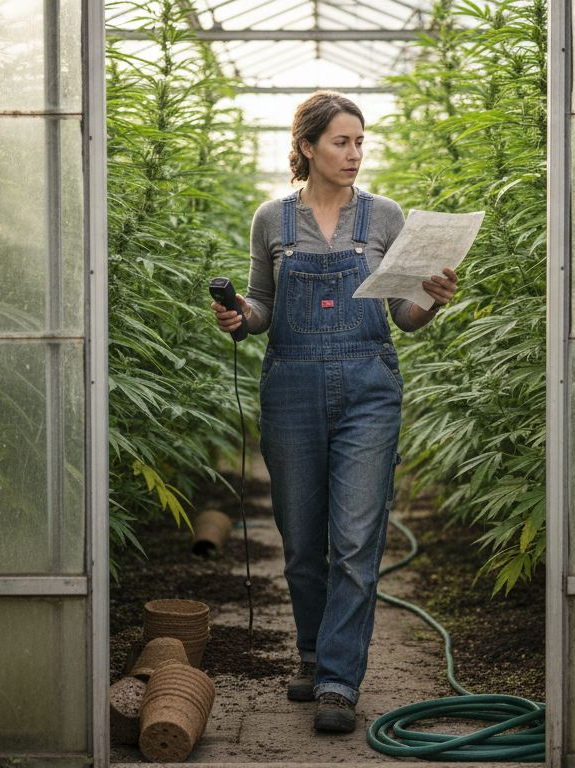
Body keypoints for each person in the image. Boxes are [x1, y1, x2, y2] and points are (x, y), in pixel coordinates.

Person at [211, 90, 457, 734]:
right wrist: (239, 314)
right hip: (289, 384)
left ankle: (340, 682)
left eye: (359, 142)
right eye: (341, 142)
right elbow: (262, 309)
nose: (354, 154)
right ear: (307, 147)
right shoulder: (273, 220)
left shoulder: (384, 217)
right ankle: (313, 652)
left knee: (354, 539)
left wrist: (433, 299)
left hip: (368, 387)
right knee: (299, 541)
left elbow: (404, 317)